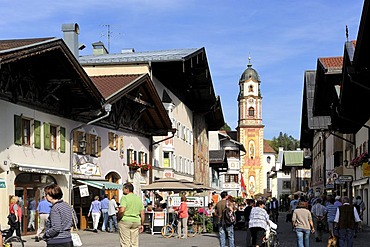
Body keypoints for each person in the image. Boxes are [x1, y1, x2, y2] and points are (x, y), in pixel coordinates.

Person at [117, 182, 145, 247]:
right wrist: (142, 224)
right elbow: (142, 213)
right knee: (134, 242)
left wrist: (118, 218)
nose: (122, 190)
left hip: (125, 221)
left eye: (123, 189)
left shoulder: (125, 198)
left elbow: (122, 210)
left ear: (127, 189)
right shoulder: (138, 198)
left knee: (125, 242)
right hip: (136, 221)